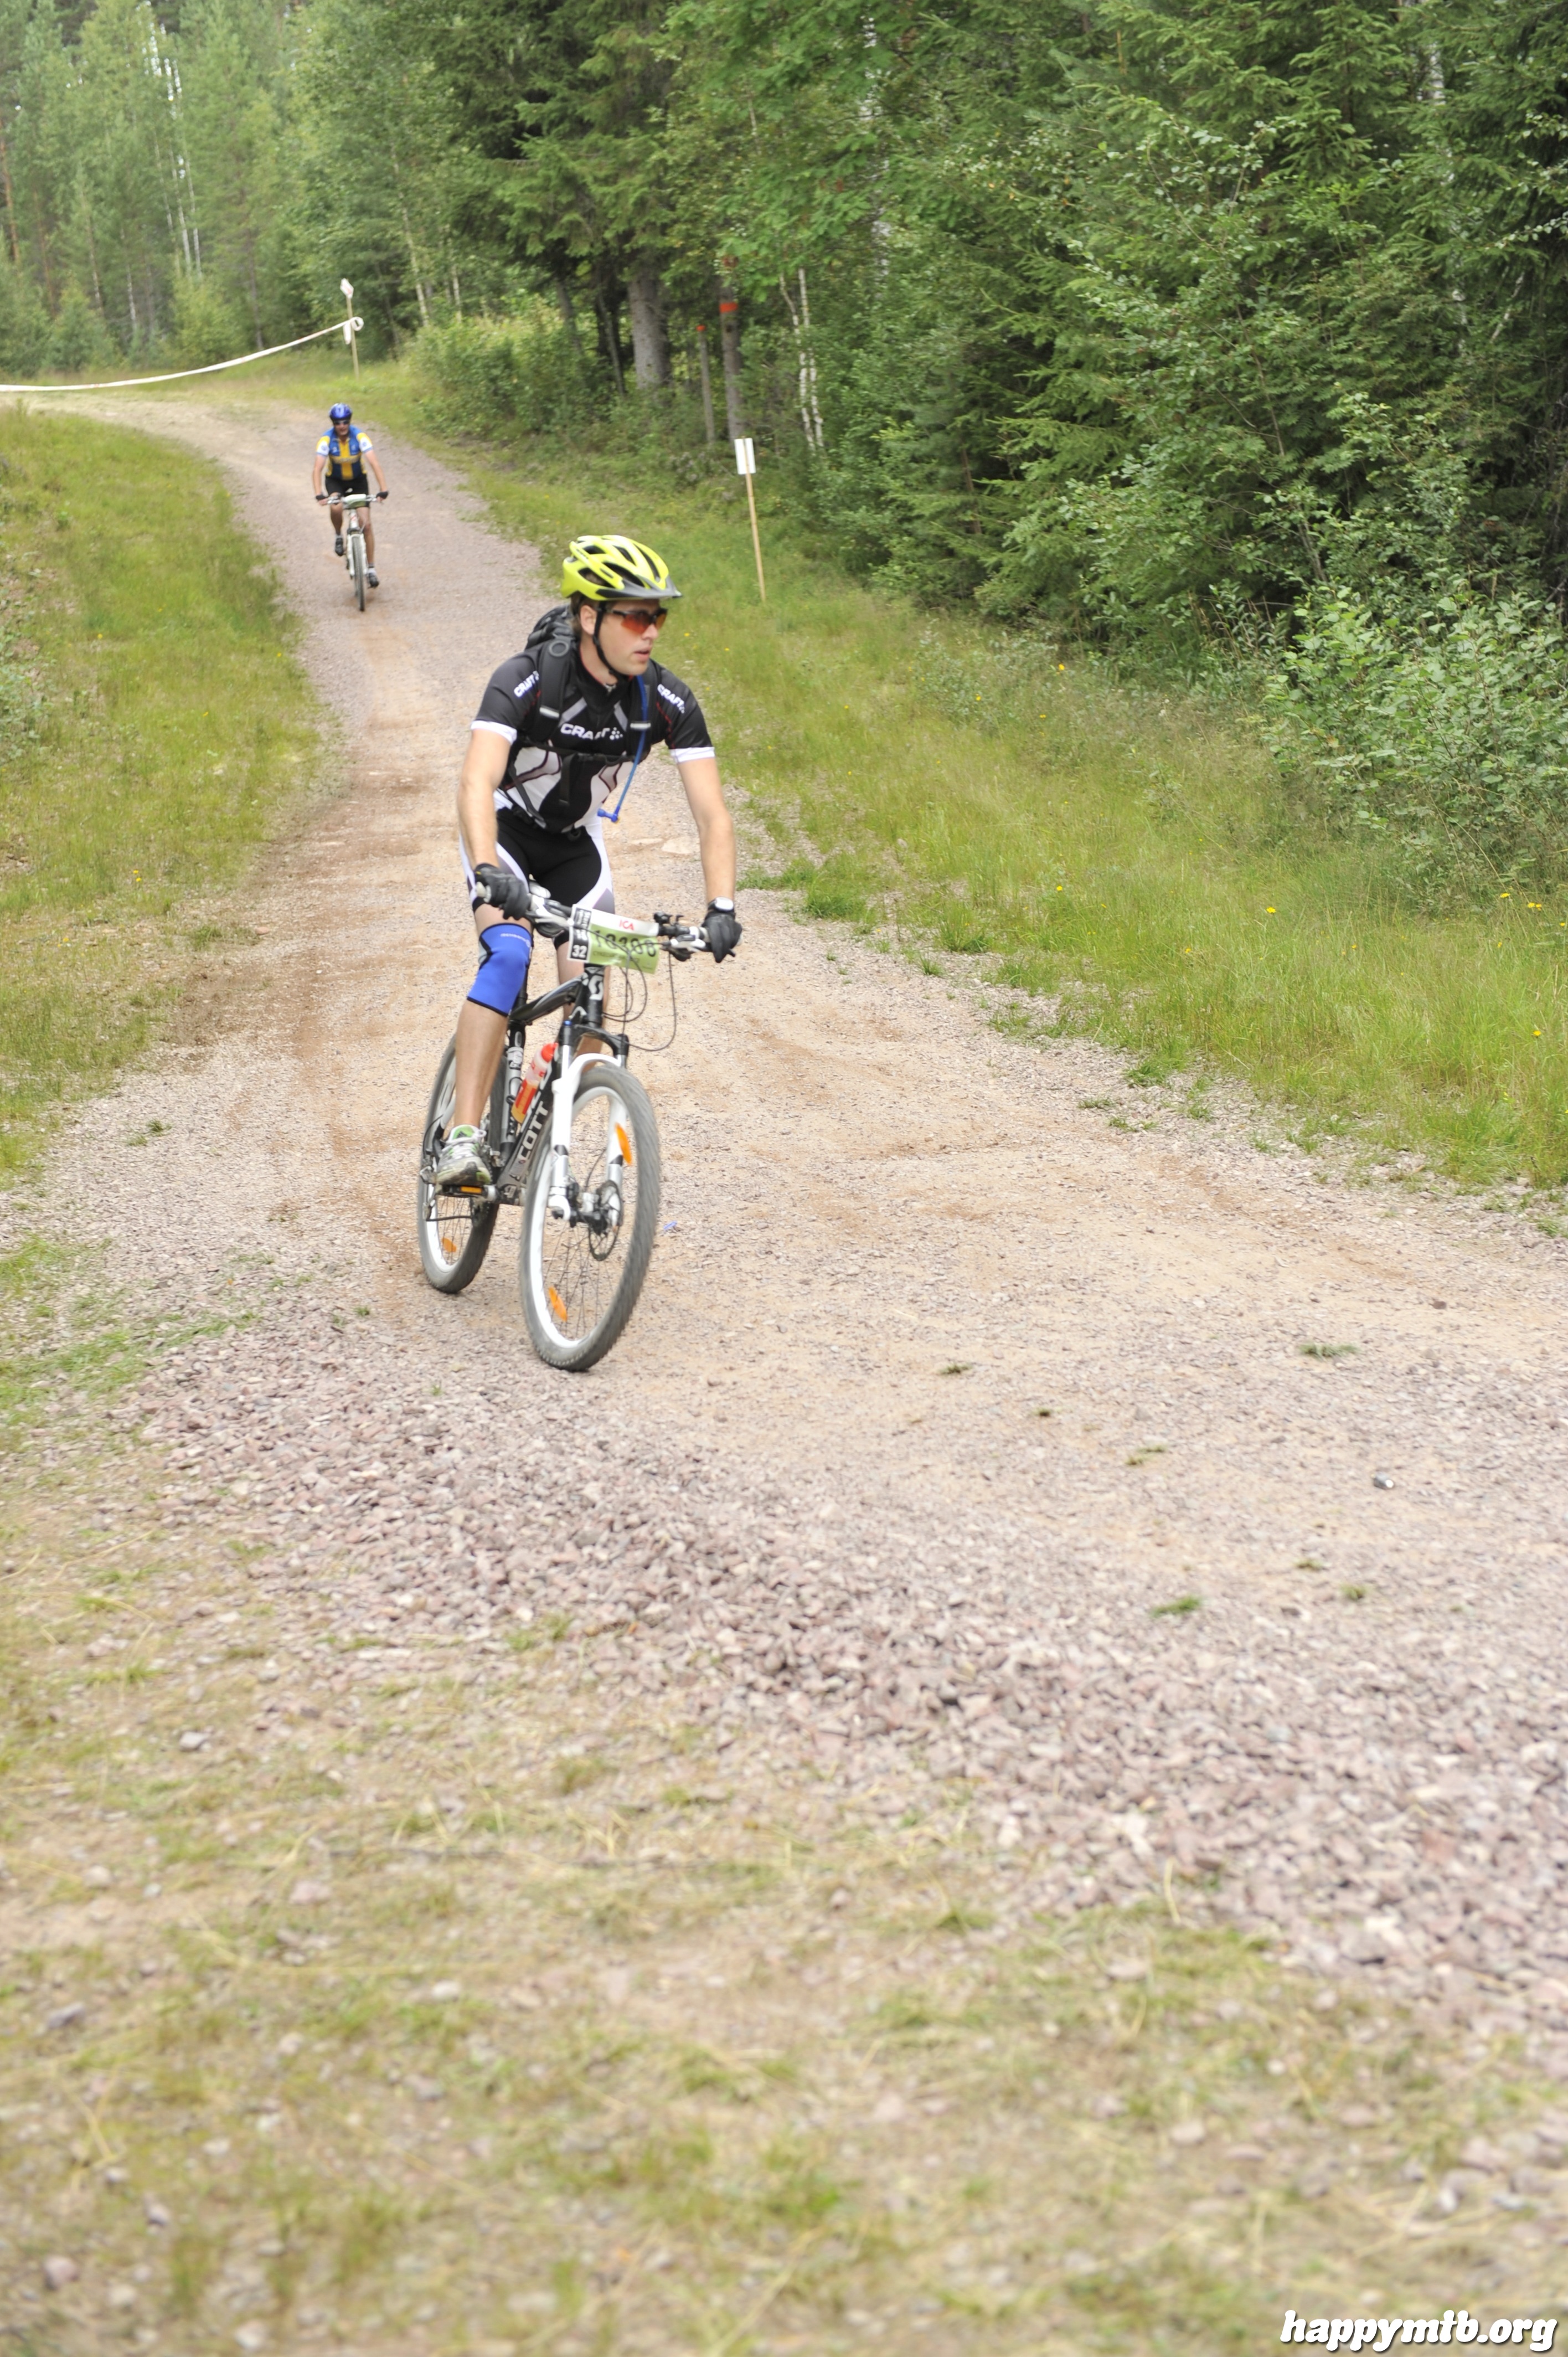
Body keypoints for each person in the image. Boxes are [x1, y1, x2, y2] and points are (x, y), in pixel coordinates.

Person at [434, 533, 742, 1189]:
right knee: (509, 954)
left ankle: (538, 1094)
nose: (649, 631)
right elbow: (475, 782)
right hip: (506, 835)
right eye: (634, 616)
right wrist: (488, 869)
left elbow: (713, 814)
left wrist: (721, 907)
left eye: (658, 617)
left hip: (576, 847)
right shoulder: (526, 678)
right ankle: (462, 1136)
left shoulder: (665, 700)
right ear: (588, 616)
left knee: (597, 997)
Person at [312, 402, 388, 585]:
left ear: (350, 421)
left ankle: (371, 569)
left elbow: (374, 463)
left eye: (345, 422)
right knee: (336, 508)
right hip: (335, 481)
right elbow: (317, 469)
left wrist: (383, 489)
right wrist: (319, 493)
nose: (342, 426)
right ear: (333, 424)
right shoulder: (326, 440)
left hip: (358, 481)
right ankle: (339, 536)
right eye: (338, 423)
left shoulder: (360, 436)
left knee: (366, 525)